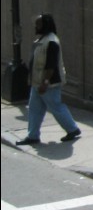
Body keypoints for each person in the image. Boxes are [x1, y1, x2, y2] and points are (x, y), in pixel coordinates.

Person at [16, 14, 81, 146]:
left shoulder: (51, 41)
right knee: (34, 109)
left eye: (38, 24)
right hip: (37, 83)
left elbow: (51, 65)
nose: (36, 26)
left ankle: (72, 129)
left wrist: (45, 83)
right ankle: (33, 136)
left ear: (46, 25)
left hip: (48, 84)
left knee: (56, 106)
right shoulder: (43, 39)